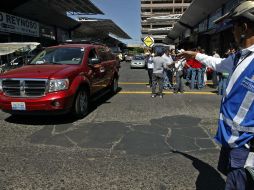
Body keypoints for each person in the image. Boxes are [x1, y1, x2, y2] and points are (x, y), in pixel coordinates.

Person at [179, 1, 254, 189]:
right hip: (232, 139)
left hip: (246, 145)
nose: (232, 33)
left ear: (243, 28)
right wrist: (194, 55)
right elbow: (218, 64)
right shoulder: (240, 56)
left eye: (233, 28)